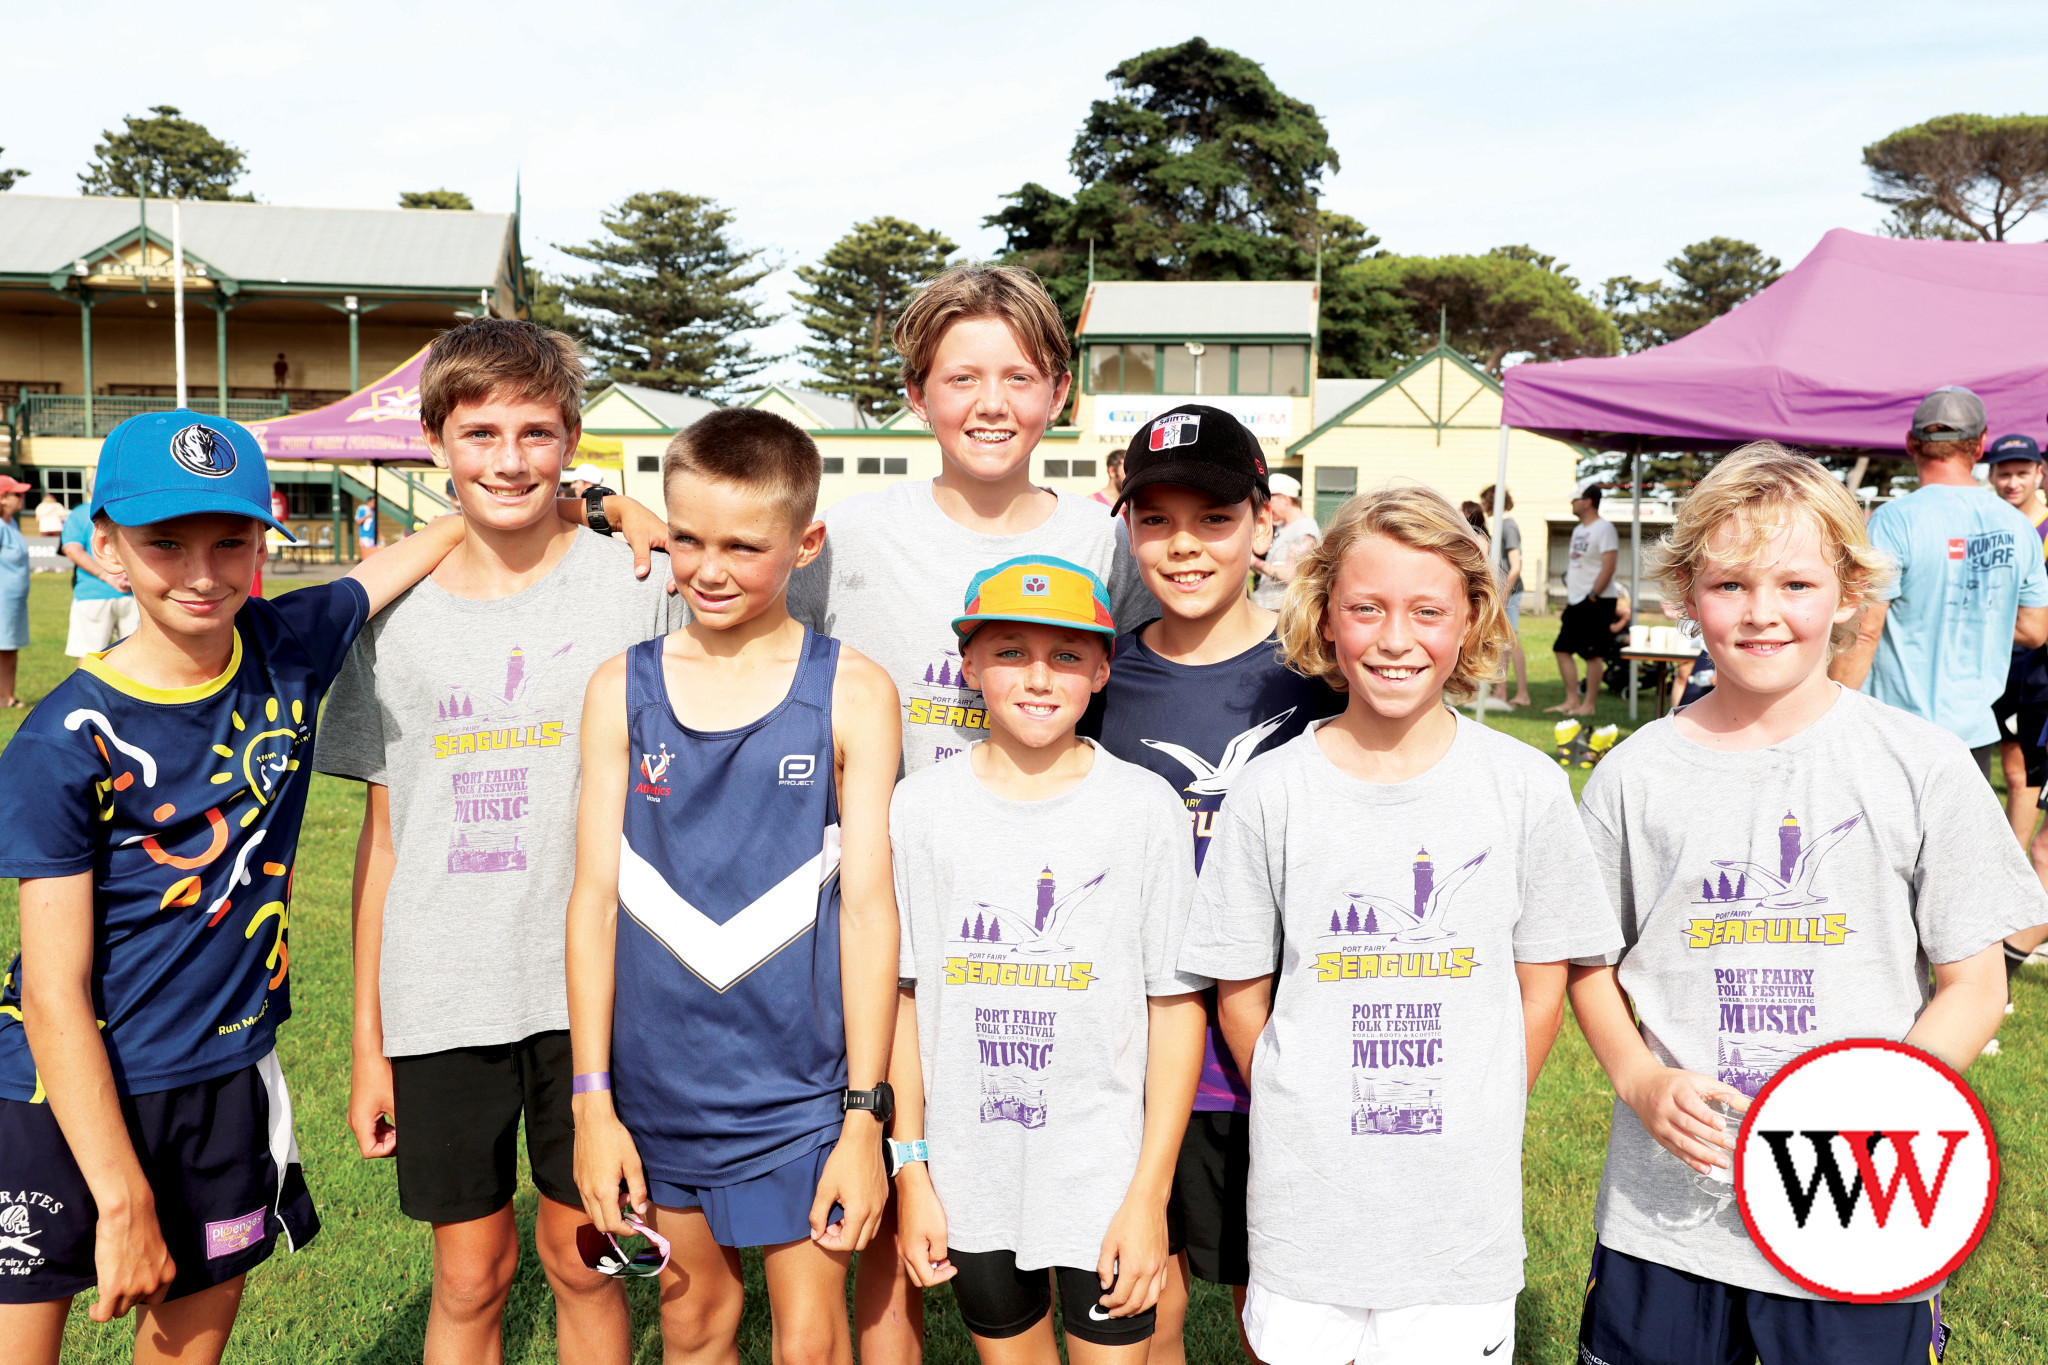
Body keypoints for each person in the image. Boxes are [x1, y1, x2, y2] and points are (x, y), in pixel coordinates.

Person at [0, 410, 477, 1365]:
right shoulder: (63, 740)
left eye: (231, 540)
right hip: (60, 1092)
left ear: (265, 539)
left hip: (222, 1078)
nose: (202, 572)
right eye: (163, 542)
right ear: (106, 547)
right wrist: (123, 1197)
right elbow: (54, 995)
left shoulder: (286, 647)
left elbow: (427, 542)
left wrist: (603, 506)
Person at [1568, 442, 2035, 1365]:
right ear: (1687, 593)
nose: (1762, 613)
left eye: (1794, 583)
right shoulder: (1633, 775)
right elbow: (1587, 962)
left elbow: (1975, 984)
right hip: (1666, 1220)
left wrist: (1874, 1109)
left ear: (1849, 591)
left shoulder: (1921, 764)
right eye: (1731, 584)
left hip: (1862, 1210)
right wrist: (1637, 1076)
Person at [788, 262, 1155, 1364]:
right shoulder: (851, 539)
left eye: (1016, 376)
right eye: (960, 378)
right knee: (890, 1220)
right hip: (885, 919)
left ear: (1058, 393)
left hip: (1050, 930)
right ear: (916, 395)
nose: (988, 403)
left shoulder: (1104, 542)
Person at [1180, 486, 1622, 1365]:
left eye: (1427, 611)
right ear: (1326, 617)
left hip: (1458, 1223)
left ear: (1471, 619)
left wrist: (1487, 1099)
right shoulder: (1272, 789)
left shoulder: (1524, 785)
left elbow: (1543, 981)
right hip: (1307, 1212)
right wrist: (1302, 1099)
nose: (1394, 638)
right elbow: (1240, 988)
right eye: (1366, 608)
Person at [311, 318, 680, 1365]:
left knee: (586, 1261)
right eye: (479, 433)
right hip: (442, 993)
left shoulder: (634, 583)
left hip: (597, 991)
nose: (508, 459)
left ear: (570, 442)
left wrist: (617, 507)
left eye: (535, 433)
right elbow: (385, 843)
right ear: (436, 443)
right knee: (470, 1278)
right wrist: (367, 1042)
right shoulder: (389, 619)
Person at [566, 408, 901, 1365]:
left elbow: (871, 912)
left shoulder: (854, 690)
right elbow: (592, 902)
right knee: (694, 1323)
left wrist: (862, 1114)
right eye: (687, 541)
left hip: (805, 1093)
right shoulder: (617, 688)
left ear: (806, 543)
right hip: (656, 1090)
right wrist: (595, 1102)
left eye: (744, 547)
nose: (708, 570)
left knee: (809, 1342)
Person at [890, 555, 1208, 1365]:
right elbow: (904, 998)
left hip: (1103, 1176)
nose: (1039, 677)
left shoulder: (1144, 808)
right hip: (969, 1172)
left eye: (1066, 655)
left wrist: (1149, 1194)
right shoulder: (919, 809)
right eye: (1009, 651)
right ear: (968, 664)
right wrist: (912, 1169)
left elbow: (1174, 1007)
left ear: (1103, 669)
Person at [1082, 407, 1344, 1364]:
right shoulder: (1100, 677)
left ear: (1264, 521)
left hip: (1274, 1056)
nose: (1184, 545)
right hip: (1138, 1061)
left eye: (1214, 519)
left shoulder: (1320, 677)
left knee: (1277, 1316)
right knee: (1148, 1307)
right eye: (1155, 519)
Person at [1831, 387, 2048, 778]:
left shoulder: (1894, 520)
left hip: (1896, 729)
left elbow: (1864, 630)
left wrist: (1828, 716)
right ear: (1981, 447)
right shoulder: (2019, 526)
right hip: (1974, 734)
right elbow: (2034, 631)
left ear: (1912, 443)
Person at [1984, 433, 2048, 842]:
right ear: (1990, 474)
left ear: (2039, 473)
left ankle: (2016, 864)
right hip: (1986, 663)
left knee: (2022, 768)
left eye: (2022, 473)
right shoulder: (1983, 521)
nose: (2012, 483)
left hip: (2034, 666)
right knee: (2001, 765)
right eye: (2004, 474)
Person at [1551, 481, 1619, 717]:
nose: (1572, 502)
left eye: (1575, 499)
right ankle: (1571, 700)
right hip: (1577, 599)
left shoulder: (1605, 528)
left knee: (1592, 654)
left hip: (1597, 600)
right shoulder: (1579, 530)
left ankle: (1588, 705)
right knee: (1561, 649)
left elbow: (1609, 566)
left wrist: (1593, 595)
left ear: (1588, 502)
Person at [61, 494, 141, 662]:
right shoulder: (132, 506)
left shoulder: (80, 513)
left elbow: (72, 549)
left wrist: (105, 576)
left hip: (93, 595)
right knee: (137, 658)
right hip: (132, 593)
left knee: (89, 659)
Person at [1480, 484, 1532, 709]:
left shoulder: (1509, 526)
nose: (1483, 506)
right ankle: (1501, 691)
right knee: (1503, 643)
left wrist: (1503, 595)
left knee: (1512, 642)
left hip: (1510, 592)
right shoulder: (1501, 525)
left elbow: (1515, 566)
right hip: (1504, 592)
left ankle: (1522, 694)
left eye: (1484, 502)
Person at [1249, 472, 1317, 609]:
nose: (1265, 506)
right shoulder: (1281, 526)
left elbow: (1291, 574)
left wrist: (1254, 562)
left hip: (1283, 613)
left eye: (1269, 500)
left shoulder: (1305, 530)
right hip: (1266, 608)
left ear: (1285, 499)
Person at [0, 476, 28, 707]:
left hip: (14, 601)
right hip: (2, 600)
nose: (22, 498)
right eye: (16, 494)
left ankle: (6, 697)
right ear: (2, 499)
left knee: (10, 650)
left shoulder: (12, 523)